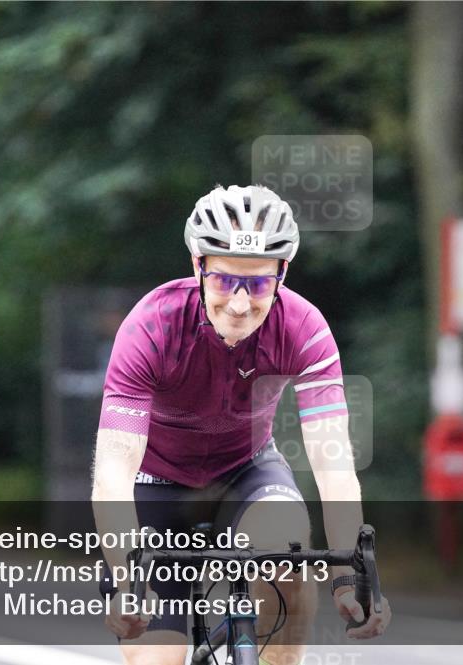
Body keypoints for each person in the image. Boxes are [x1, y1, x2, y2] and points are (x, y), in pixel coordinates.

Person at [92, 184, 391, 665]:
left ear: (282, 273)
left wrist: (348, 579)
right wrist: (127, 583)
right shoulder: (151, 325)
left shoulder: (303, 328)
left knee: (287, 553)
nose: (238, 303)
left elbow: (333, 466)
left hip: (246, 471)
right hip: (155, 482)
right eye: (223, 280)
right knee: (157, 657)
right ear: (198, 266)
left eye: (258, 284)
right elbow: (112, 475)